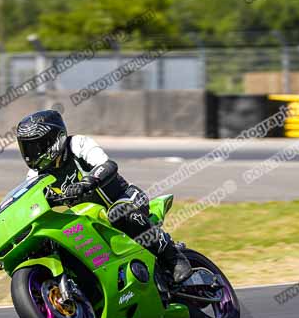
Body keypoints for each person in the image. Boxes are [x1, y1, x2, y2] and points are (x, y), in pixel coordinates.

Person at [16, 109, 191, 282]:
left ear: (54, 139)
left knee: (120, 212)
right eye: (27, 147)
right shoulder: (35, 175)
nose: (32, 154)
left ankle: (173, 258)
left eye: (36, 146)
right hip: (93, 218)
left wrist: (87, 182)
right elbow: (29, 201)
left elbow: (107, 164)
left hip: (126, 198)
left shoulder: (77, 144)